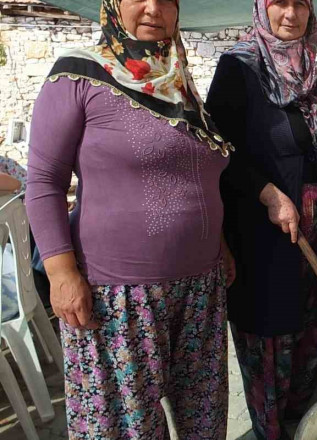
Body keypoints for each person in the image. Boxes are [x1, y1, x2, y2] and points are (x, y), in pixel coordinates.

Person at [26, 0, 233, 437]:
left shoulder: (177, 83)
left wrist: (221, 244)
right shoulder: (79, 75)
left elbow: (195, 175)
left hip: (200, 289)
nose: (153, 8)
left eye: (167, 0)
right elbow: (44, 181)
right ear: (113, 6)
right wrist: (61, 273)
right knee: (127, 429)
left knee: (205, 424)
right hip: (117, 298)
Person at [205, 0, 317, 438]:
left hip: (313, 231)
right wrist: (267, 193)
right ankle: (271, 430)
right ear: (261, 8)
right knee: (270, 337)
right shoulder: (239, 67)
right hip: (264, 235)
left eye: (299, 4)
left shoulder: (307, 65)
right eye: (278, 3)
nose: (290, 14)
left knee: (307, 330)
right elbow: (218, 148)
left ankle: (304, 423)